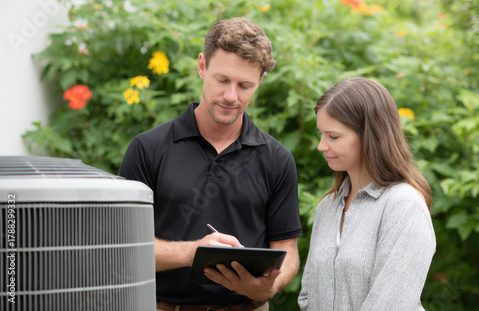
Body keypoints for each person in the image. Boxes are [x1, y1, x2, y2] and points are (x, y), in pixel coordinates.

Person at [119, 17, 302, 311]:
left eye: (244, 85)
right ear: (202, 66)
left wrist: (271, 285)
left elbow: (287, 251)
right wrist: (193, 252)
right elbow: (122, 247)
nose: (231, 96)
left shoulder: (277, 159)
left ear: (260, 82)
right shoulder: (148, 148)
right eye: (223, 80)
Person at [298, 77, 436, 310]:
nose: (321, 145)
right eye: (321, 134)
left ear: (370, 136)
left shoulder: (404, 205)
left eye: (333, 136)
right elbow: (308, 297)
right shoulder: (327, 207)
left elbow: (390, 305)